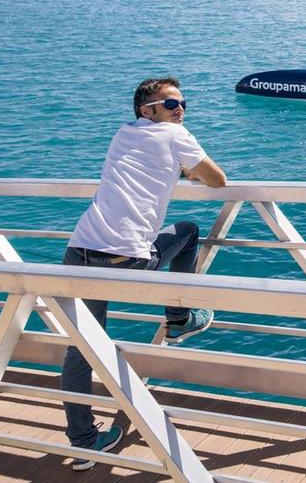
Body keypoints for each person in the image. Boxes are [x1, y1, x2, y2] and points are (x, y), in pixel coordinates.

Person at [60, 77, 227, 470]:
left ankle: (84, 442)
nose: (179, 108)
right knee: (188, 231)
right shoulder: (176, 136)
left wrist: (178, 168)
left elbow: (146, 167)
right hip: (125, 259)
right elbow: (218, 180)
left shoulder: (123, 133)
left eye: (182, 102)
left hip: (79, 251)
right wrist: (188, 169)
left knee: (82, 347)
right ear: (146, 109)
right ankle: (179, 317)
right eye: (169, 103)